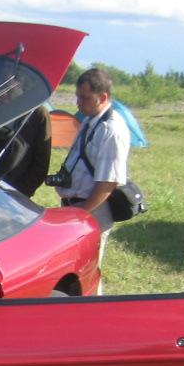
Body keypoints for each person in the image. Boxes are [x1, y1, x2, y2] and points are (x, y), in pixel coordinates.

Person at [51, 68, 131, 293]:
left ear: (103, 97)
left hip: (92, 209)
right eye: (78, 96)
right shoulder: (90, 121)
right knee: (72, 267)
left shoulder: (112, 130)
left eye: (85, 98)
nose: (78, 103)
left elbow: (108, 183)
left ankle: (93, 319)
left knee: (88, 273)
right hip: (77, 206)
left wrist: (82, 213)